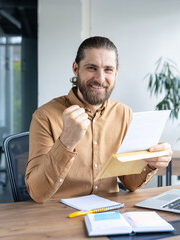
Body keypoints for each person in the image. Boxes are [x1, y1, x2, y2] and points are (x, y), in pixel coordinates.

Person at [26, 36, 172, 203]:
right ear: (75, 69)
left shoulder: (124, 114)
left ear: (116, 73)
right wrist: (66, 141)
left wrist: (151, 163)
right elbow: (37, 193)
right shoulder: (45, 116)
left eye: (108, 70)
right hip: (59, 216)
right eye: (91, 68)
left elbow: (130, 184)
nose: (100, 78)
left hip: (110, 215)